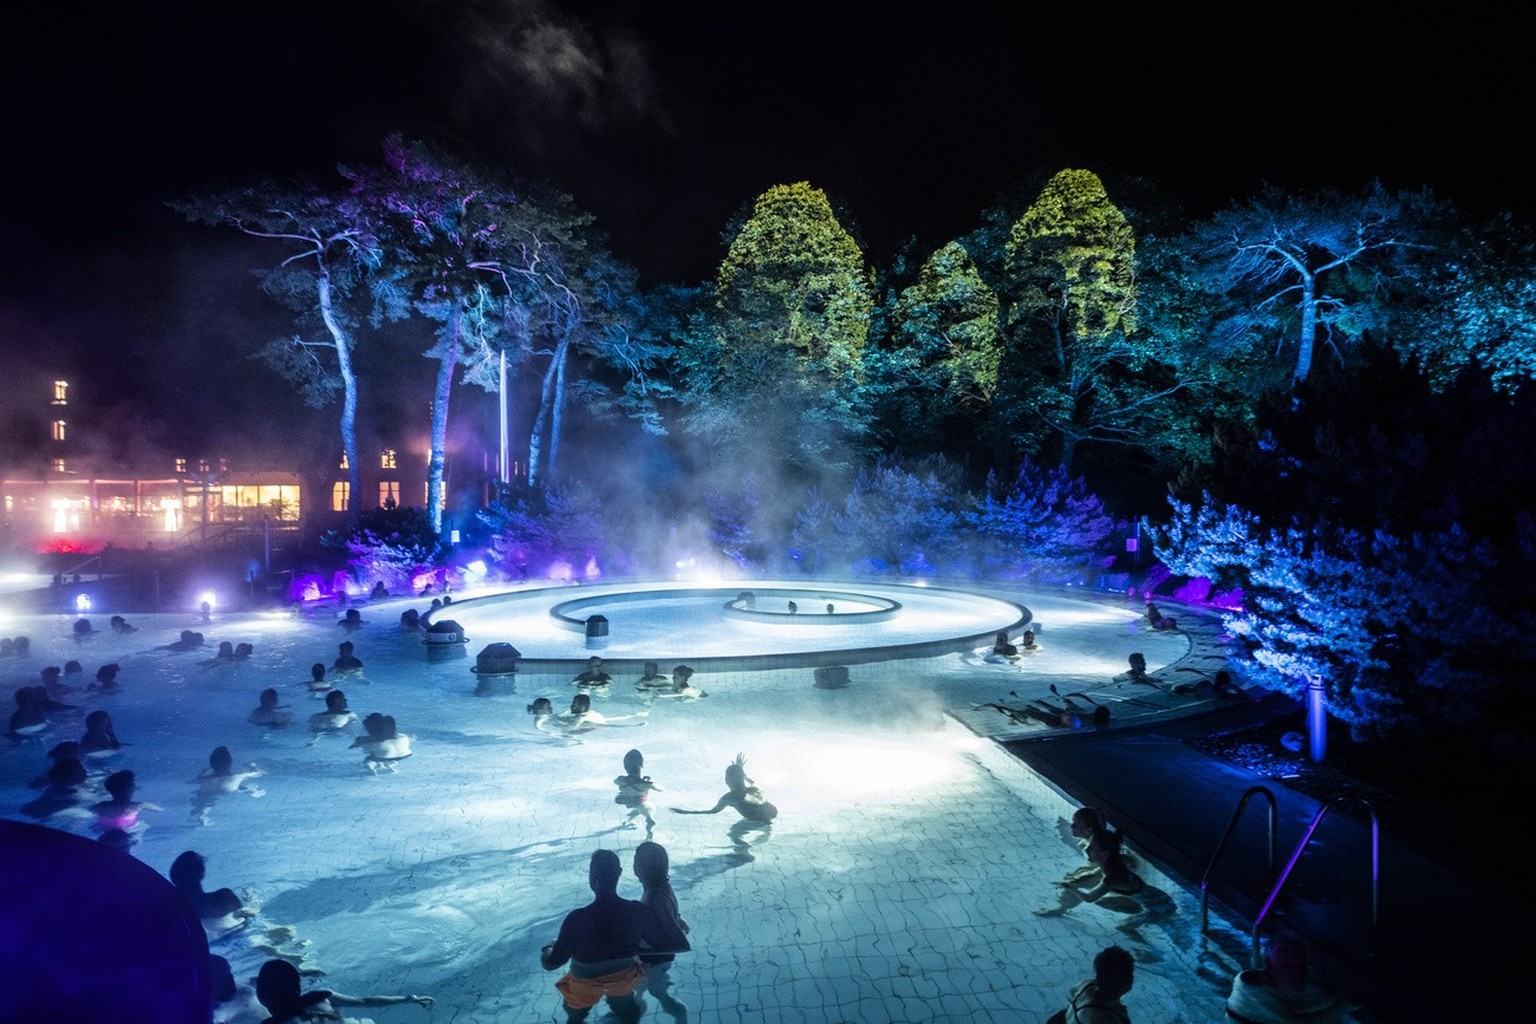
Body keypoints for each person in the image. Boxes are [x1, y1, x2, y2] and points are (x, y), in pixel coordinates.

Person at [540, 849, 687, 1024]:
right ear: (619, 873)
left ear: (591, 877)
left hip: (584, 982)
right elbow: (660, 940)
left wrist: (548, 947)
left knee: (576, 1011)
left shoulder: (576, 920)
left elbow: (552, 963)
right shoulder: (638, 912)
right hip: (623, 980)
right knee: (627, 1009)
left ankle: (577, 1017)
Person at [1226, 932, 1355, 1023]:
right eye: (1288, 967)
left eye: (1301, 965)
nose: (1297, 973)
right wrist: (1345, 1006)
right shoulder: (1250, 989)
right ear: (1271, 968)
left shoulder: (1291, 975)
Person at [255, 959, 432, 1024]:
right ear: (297, 988)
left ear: (263, 997)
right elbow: (367, 1002)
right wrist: (408, 998)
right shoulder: (322, 998)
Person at [673, 753, 777, 852]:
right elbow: (750, 780)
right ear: (742, 778)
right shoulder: (754, 788)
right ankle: (758, 841)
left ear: (727, 781)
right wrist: (740, 769)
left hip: (756, 821)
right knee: (762, 829)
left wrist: (686, 812)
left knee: (733, 834)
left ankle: (744, 853)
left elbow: (712, 812)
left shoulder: (729, 798)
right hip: (771, 815)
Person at [633, 841, 690, 1020]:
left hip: (655, 962)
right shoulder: (661, 889)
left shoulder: (655, 897)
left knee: (659, 994)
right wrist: (677, 918)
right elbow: (668, 917)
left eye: (636, 861)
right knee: (637, 990)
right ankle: (636, 1003)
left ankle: (681, 1016)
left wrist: (639, 951)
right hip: (653, 958)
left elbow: (681, 944)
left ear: (640, 869)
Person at [169, 850, 253, 935]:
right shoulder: (224, 897)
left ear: (174, 879)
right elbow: (249, 922)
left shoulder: (178, 913)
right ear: (202, 873)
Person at [1047, 945, 1135, 1024]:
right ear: (1127, 983)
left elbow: (1071, 995)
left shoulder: (1085, 985)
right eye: (1130, 974)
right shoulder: (1108, 1019)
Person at [192, 745, 265, 823]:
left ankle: (202, 815)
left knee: (205, 802)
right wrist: (252, 765)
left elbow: (195, 780)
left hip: (209, 792)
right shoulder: (237, 776)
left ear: (212, 764)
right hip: (229, 791)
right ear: (230, 764)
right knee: (243, 787)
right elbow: (258, 773)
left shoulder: (204, 779)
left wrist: (203, 771)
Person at [91, 769, 162, 832]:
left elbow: (88, 812)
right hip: (127, 831)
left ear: (109, 790)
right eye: (132, 785)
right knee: (143, 827)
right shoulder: (138, 806)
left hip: (103, 829)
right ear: (130, 788)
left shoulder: (101, 806)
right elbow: (160, 810)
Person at [614, 749, 660, 836]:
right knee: (650, 821)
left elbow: (616, 782)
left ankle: (630, 819)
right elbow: (660, 789)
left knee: (637, 809)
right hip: (643, 805)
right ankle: (650, 835)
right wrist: (649, 781)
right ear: (641, 764)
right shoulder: (644, 783)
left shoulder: (620, 779)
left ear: (625, 766)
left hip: (628, 802)